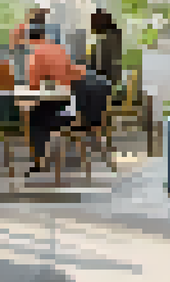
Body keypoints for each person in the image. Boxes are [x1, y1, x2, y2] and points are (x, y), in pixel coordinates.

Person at [24, 23, 108, 174]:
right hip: (91, 109)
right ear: (44, 36)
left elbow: (34, 85)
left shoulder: (36, 54)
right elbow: (68, 74)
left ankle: (38, 162)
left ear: (30, 40)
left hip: (77, 113)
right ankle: (48, 157)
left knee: (35, 116)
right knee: (46, 110)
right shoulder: (59, 49)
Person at [89, 9, 123, 86]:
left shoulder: (112, 38)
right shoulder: (106, 37)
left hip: (107, 81)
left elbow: (109, 62)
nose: (92, 26)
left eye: (93, 22)